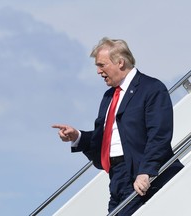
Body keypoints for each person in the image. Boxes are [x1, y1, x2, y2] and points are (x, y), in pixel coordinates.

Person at [52, 37, 184, 215]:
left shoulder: (151, 88)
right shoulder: (108, 97)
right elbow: (106, 138)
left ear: (120, 62)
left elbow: (159, 135)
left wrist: (146, 171)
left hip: (141, 174)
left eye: (102, 65)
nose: (98, 71)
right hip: (117, 177)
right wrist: (77, 136)